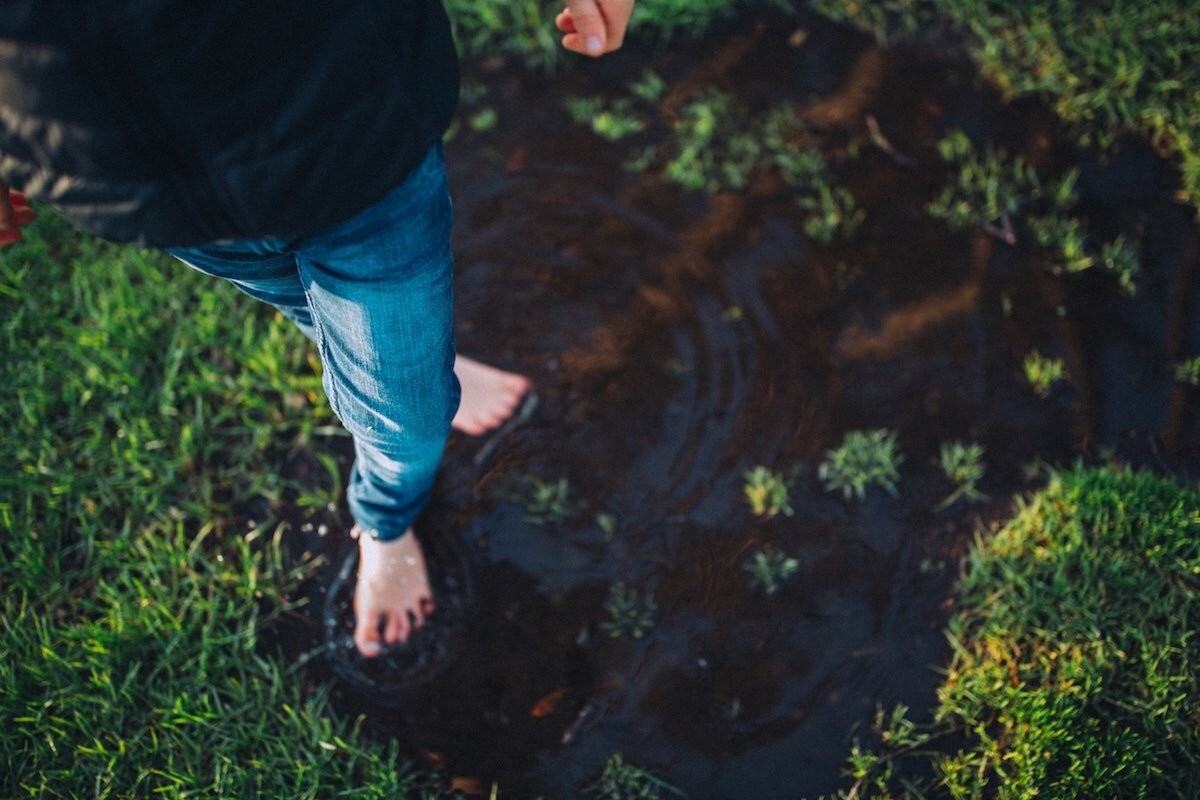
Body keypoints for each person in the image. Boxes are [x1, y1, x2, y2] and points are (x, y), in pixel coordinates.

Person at [0, 0, 634, 658]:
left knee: (409, 416)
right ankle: (419, 366)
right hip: (153, 187)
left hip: (352, 133)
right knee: (313, 308)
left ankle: (386, 527)